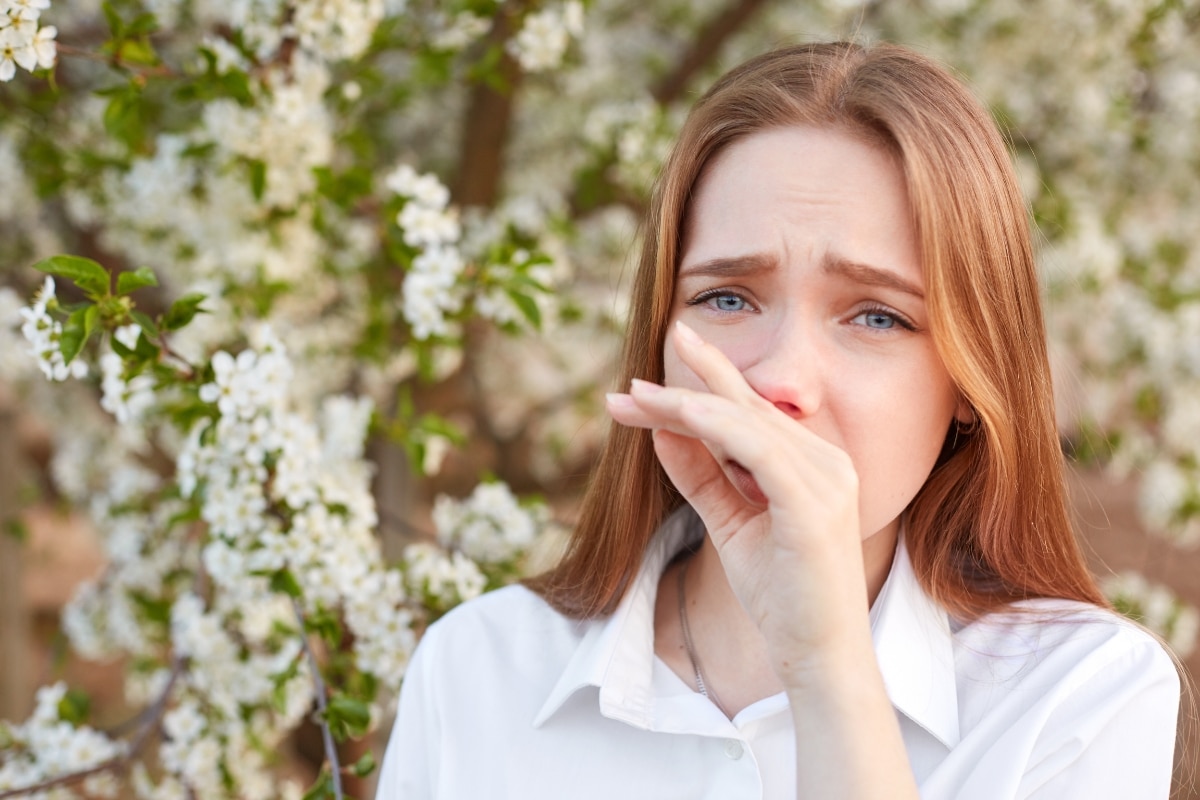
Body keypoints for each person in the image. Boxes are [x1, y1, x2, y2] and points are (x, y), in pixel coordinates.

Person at [376, 41, 1181, 798]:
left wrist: (827, 663)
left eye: (875, 316)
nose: (779, 381)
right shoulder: (478, 667)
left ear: (972, 382)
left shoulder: (1077, 693)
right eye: (726, 299)